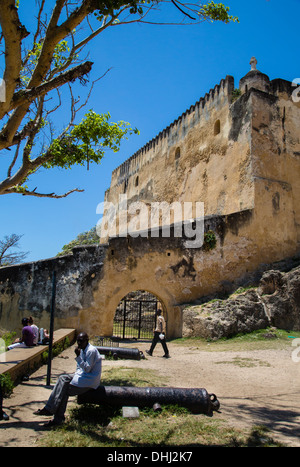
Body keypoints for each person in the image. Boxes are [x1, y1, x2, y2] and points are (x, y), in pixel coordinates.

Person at [34, 332, 102, 427]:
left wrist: (78, 357)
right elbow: (79, 368)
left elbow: (87, 368)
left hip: (89, 380)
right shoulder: (83, 349)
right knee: (62, 378)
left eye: (81, 341)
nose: (79, 343)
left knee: (64, 390)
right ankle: (53, 413)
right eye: (77, 341)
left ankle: (55, 415)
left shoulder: (91, 351)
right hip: (82, 376)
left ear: (87, 340)